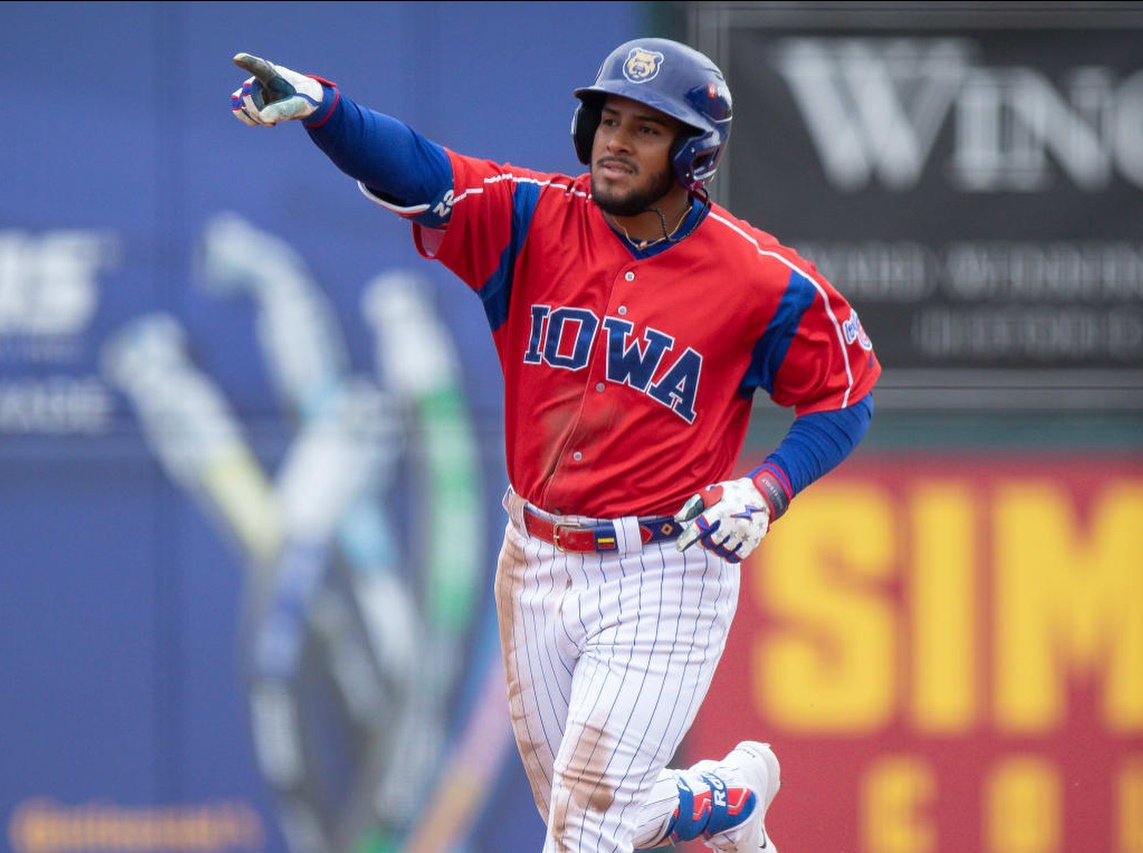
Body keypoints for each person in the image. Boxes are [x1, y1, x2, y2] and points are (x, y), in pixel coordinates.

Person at [229, 36, 880, 853]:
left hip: (663, 571)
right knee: (599, 814)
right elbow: (422, 169)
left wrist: (768, 488)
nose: (617, 141)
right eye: (609, 119)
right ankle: (729, 799)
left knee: (585, 830)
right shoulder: (531, 217)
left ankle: (718, 802)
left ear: (695, 154)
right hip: (532, 558)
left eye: (647, 128)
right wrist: (325, 110)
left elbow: (846, 393)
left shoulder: (758, 278)